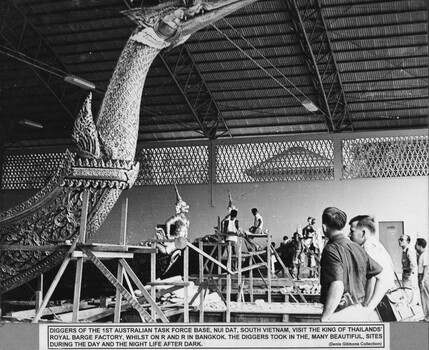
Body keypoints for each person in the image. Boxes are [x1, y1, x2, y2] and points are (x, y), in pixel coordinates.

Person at [319, 207, 389, 322]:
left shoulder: (331, 249)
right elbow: (384, 278)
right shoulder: (357, 247)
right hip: (359, 311)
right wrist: (368, 309)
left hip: (339, 313)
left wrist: (325, 317)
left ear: (324, 227)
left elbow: (337, 285)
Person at [348, 215, 397, 298]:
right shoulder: (377, 245)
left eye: (352, 231)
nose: (349, 235)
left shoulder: (368, 247)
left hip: (380, 298)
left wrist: (366, 304)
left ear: (363, 233)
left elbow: (372, 278)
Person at [415, 238, 429, 321]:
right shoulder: (421, 254)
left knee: (425, 297)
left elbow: (426, 269)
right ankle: (426, 316)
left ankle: (427, 318)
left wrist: (422, 281)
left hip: (424, 277)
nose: (415, 246)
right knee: (424, 297)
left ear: (420, 246)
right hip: (421, 276)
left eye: (416, 244)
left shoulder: (425, 255)